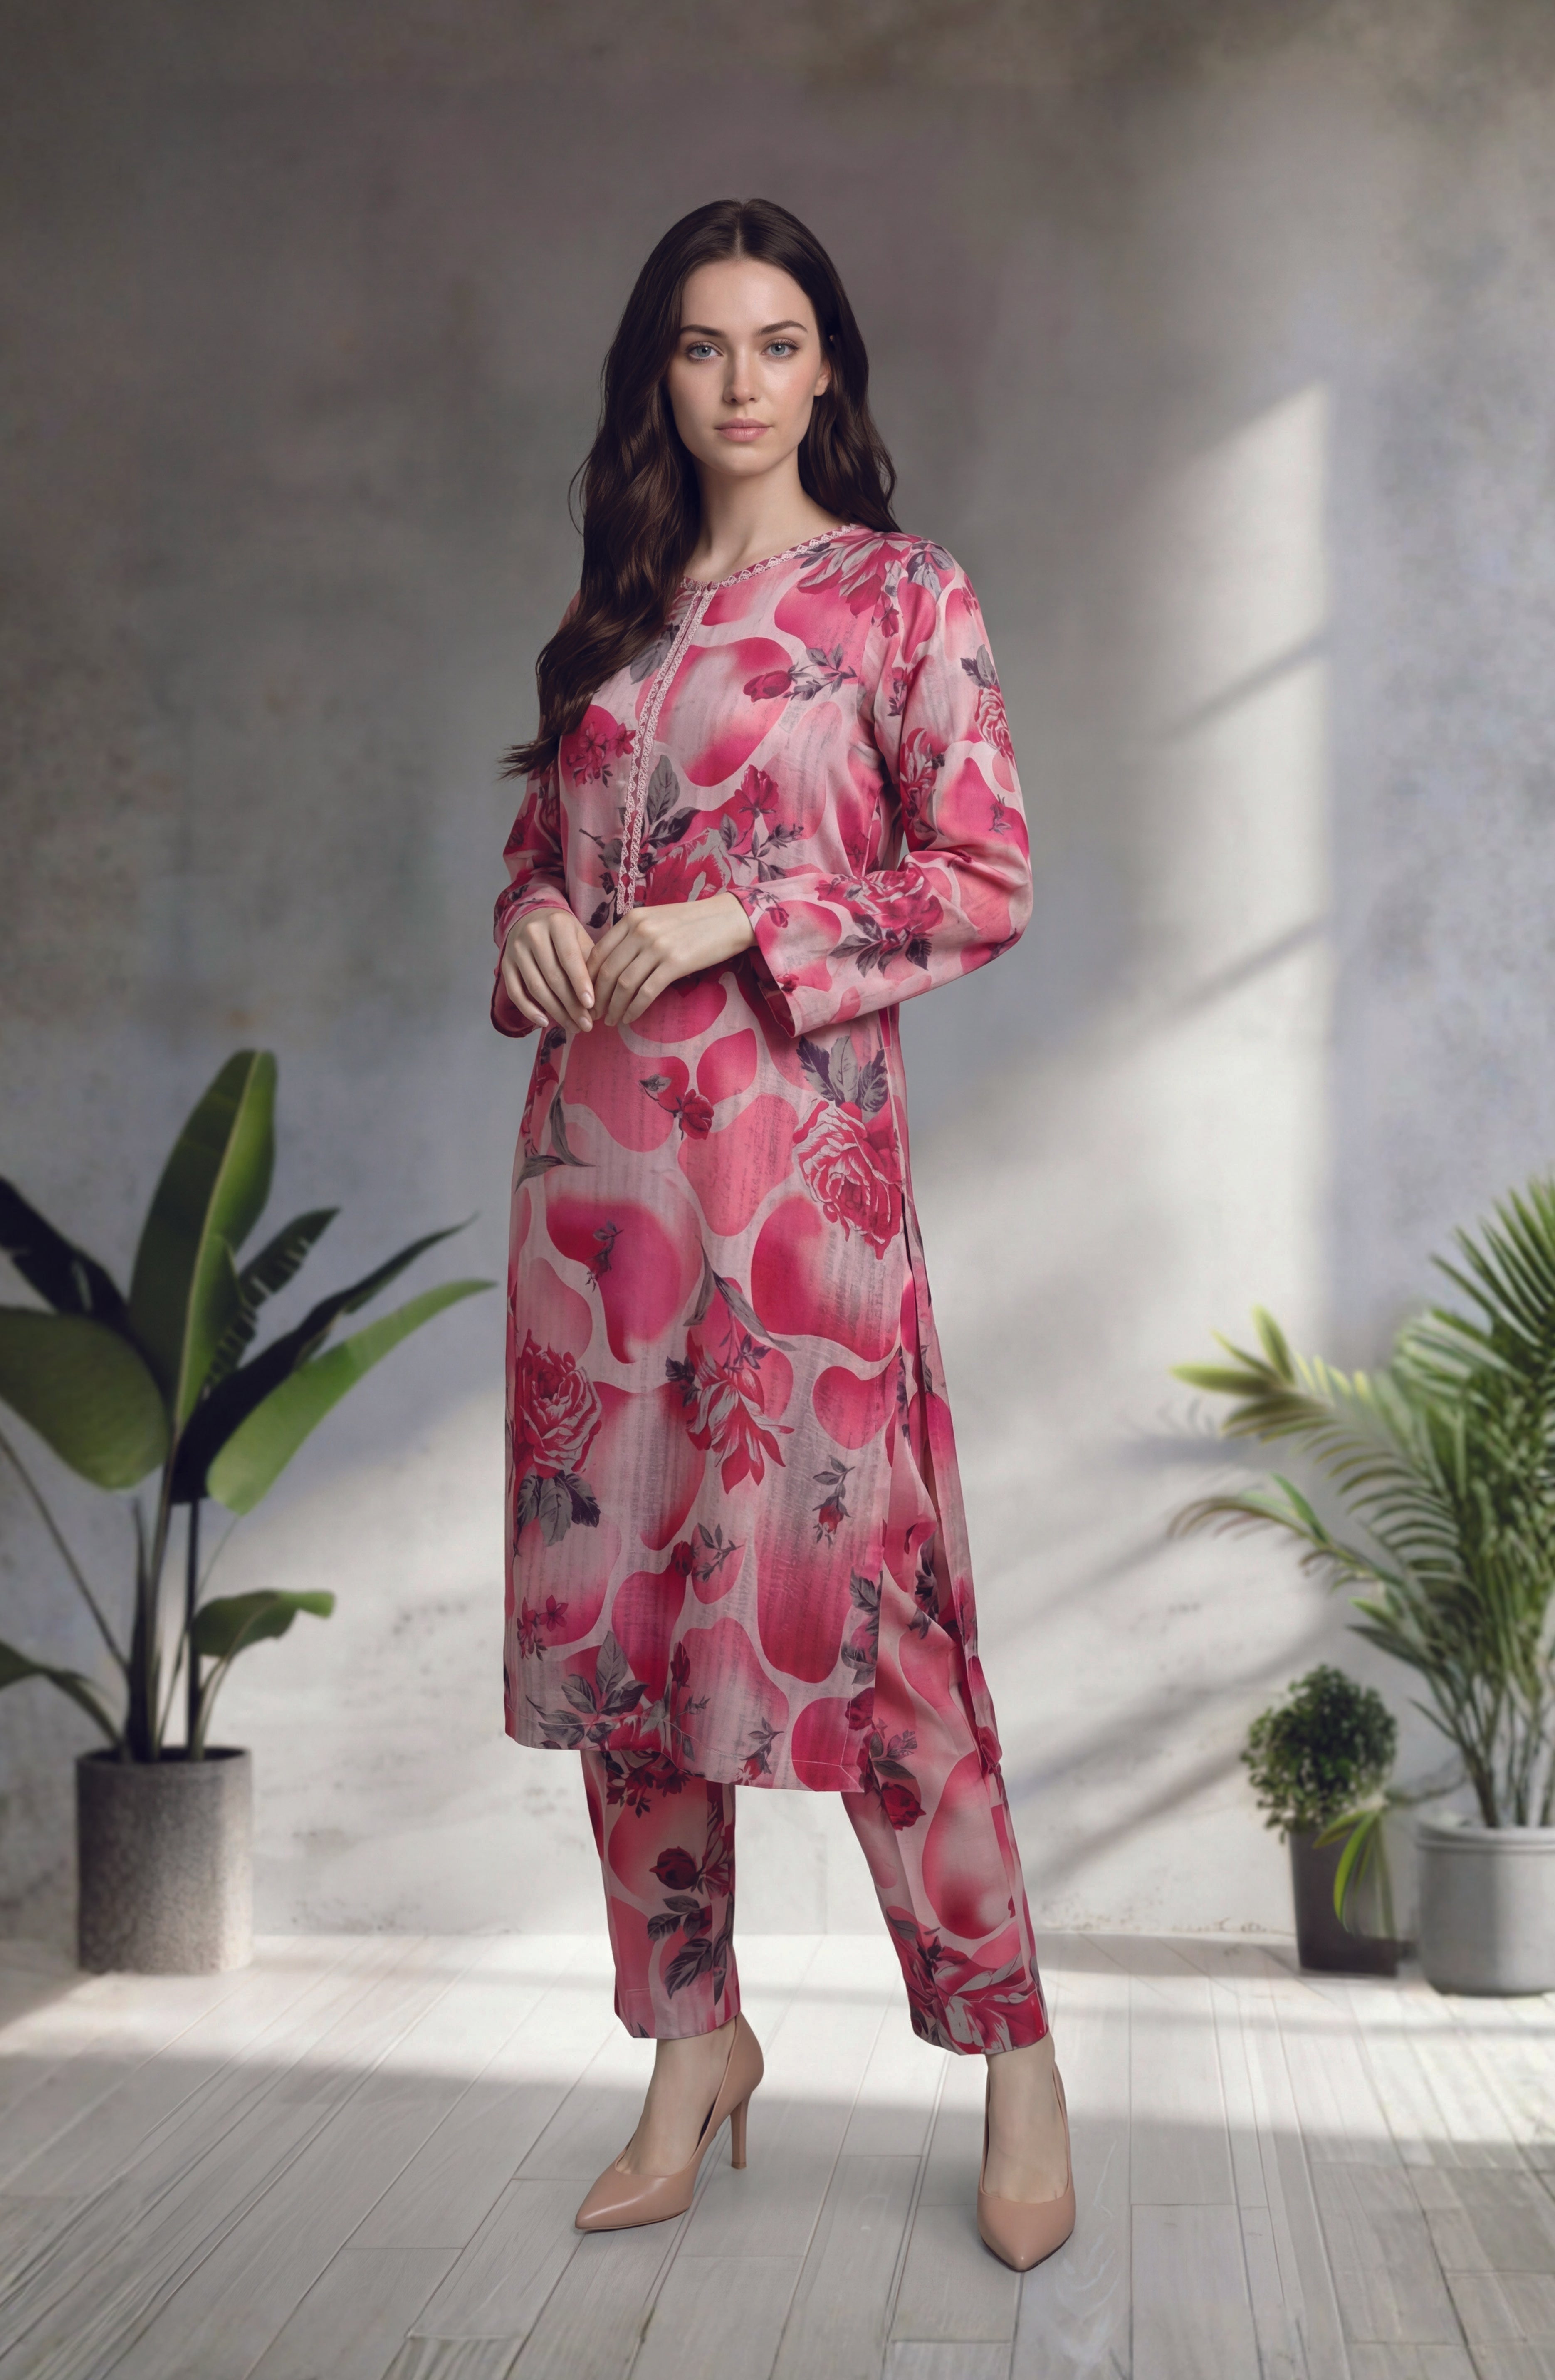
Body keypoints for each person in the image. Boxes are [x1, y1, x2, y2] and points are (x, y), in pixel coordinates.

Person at [490, 196, 1073, 2272]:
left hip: (794, 1208)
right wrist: (537, 921)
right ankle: (687, 2050)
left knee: (872, 1631)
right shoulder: (614, 616)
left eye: (774, 342)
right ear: (656, 378)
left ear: (826, 367)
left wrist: (741, 916)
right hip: (596, 1203)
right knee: (626, 1649)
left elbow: (982, 878)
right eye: (698, 346)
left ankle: (1013, 2054)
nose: (736, 382)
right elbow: (537, 860)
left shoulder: (902, 600)